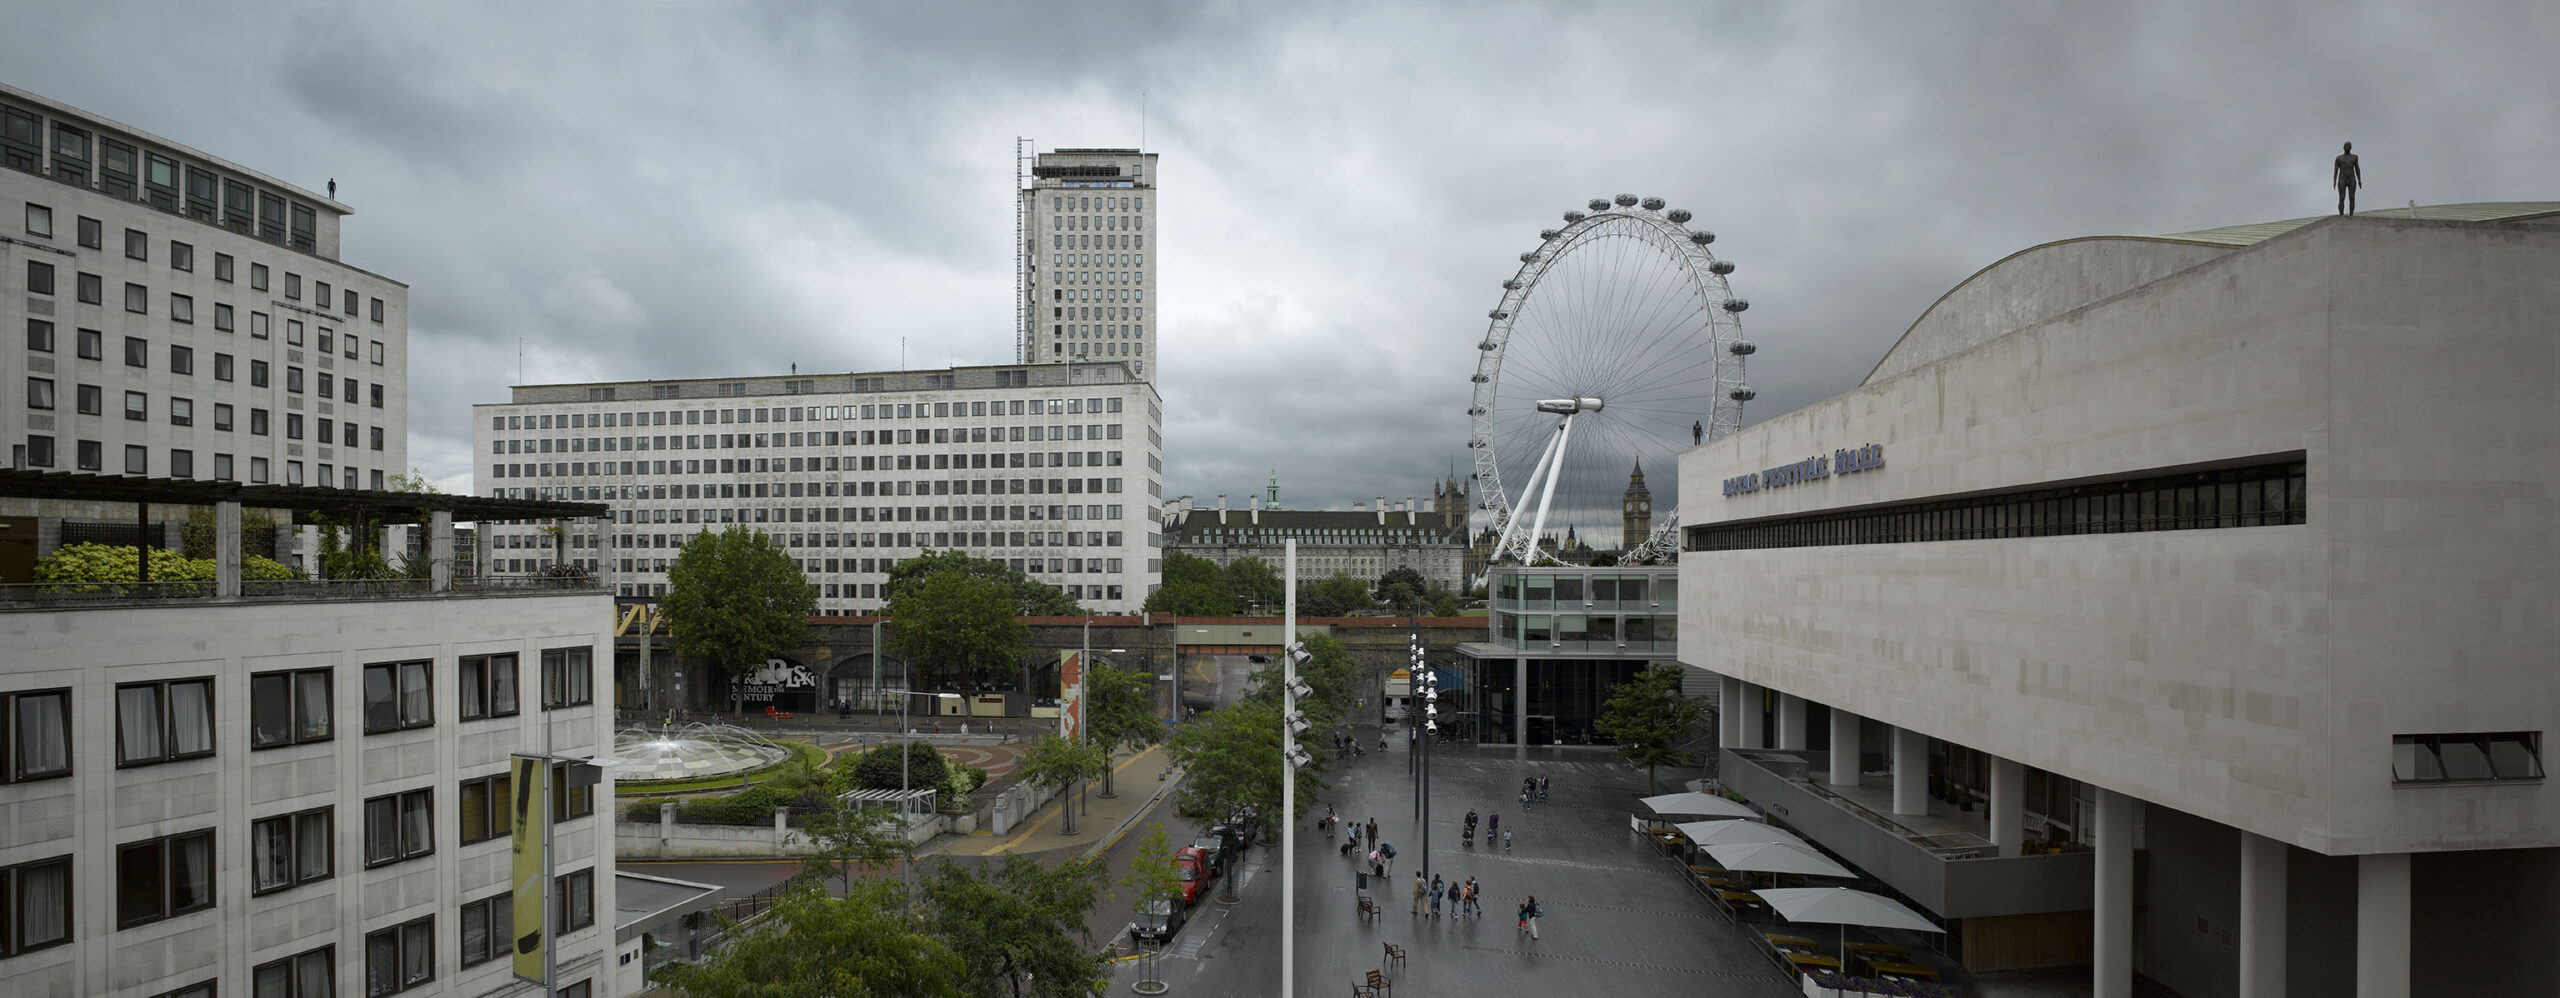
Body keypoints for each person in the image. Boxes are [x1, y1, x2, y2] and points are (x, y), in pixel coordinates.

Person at [2334, 141, 2362, 216]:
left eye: (2349, 146)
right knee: (2342, 197)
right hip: (2342, 179)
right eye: (2346, 146)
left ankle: (2351, 215)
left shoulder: (2354, 157)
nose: (2347, 147)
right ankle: (2341, 215)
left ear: (2351, 147)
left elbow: (2357, 169)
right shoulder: (2339, 158)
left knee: (2352, 197)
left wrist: (2359, 180)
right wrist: (2334, 181)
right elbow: (2336, 170)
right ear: (2343, 147)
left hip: (2352, 178)